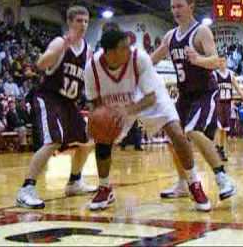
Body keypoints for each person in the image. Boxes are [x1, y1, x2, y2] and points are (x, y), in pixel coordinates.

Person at [84, 27, 211, 211]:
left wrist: (127, 111)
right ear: (110, 53)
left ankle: (194, 183)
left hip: (146, 96)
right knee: (102, 140)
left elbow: (151, 98)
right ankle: (105, 187)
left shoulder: (139, 58)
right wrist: (96, 121)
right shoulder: (92, 68)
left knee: (176, 132)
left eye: (129, 46)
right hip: (116, 101)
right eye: (123, 48)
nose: (129, 50)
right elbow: (94, 103)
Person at [151, 0, 236, 202]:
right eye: (172, 7)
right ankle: (182, 183)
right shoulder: (170, 36)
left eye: (179, 6)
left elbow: (217, 60)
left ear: (191, 6)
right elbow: (152, 59)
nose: (175, 11)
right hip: (184, 95)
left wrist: (198, 59)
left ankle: (222, 177)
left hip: (205, 92)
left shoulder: (202, 32)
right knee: (174, 139)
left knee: (194, 131)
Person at [16, 6, 96, 209]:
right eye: (79, 21)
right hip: (49, 97)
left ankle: (75, 181)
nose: (83, 25)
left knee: (87, 141)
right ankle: (26, 188)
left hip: (69, 103)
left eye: (86, 21)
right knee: (53, 140)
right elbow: (41, 64)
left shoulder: (88, 50)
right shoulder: (60, 42)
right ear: (70, 22)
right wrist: (62, 47)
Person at [214, 59, 243, 161]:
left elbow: (238, 89)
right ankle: (218, 148)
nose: (221, 63)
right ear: (218, 63)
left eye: (223, 61)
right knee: (219, 127)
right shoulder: (215, 74)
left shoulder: (230, 74)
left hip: (227, 104)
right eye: (220, 62)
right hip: (219, 103)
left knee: (225, 128)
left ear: (226, 62)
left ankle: (220, 148)